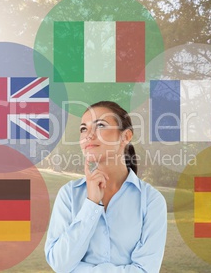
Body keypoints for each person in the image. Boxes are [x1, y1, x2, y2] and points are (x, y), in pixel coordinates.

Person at [45, 101, 167, 272]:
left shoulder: (151, 201)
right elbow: (59, 263)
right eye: (83, 129)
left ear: (125, 136)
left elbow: (145, 270)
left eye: (100, 125)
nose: (88, 135)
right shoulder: (69, 194)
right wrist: (91, 203)